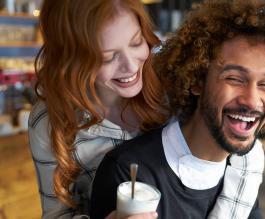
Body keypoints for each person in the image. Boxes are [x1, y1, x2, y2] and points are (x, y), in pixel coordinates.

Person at [90, 0, 265, 218]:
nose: (252, 100)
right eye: (234, 79)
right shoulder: (129, 172)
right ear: (196, 81)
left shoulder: (245, 173)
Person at [28, 0, 168, 218]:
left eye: (136, 42)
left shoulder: (173, 84)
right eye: (108, 57)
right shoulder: (49, 120)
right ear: (70, 60)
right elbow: (56, 214)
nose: (131, 66)